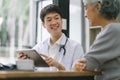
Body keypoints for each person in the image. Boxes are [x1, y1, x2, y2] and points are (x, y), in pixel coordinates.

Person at [18, 4, 84, 71]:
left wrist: (59, 66)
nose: (54, 22)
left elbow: (78, 75)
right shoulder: (38, 49)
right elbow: (31, 73)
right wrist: (24, 64)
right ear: (43, 25)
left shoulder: (76, 47)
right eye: (49, 20)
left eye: (56, 18)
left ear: (62, 21)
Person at [73, 0, 120, 80]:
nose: (85, 15)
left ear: (98, 6)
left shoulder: (112, 30)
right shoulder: (114, 29)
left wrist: (76, 64)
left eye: (86, 8)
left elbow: (86, 64)